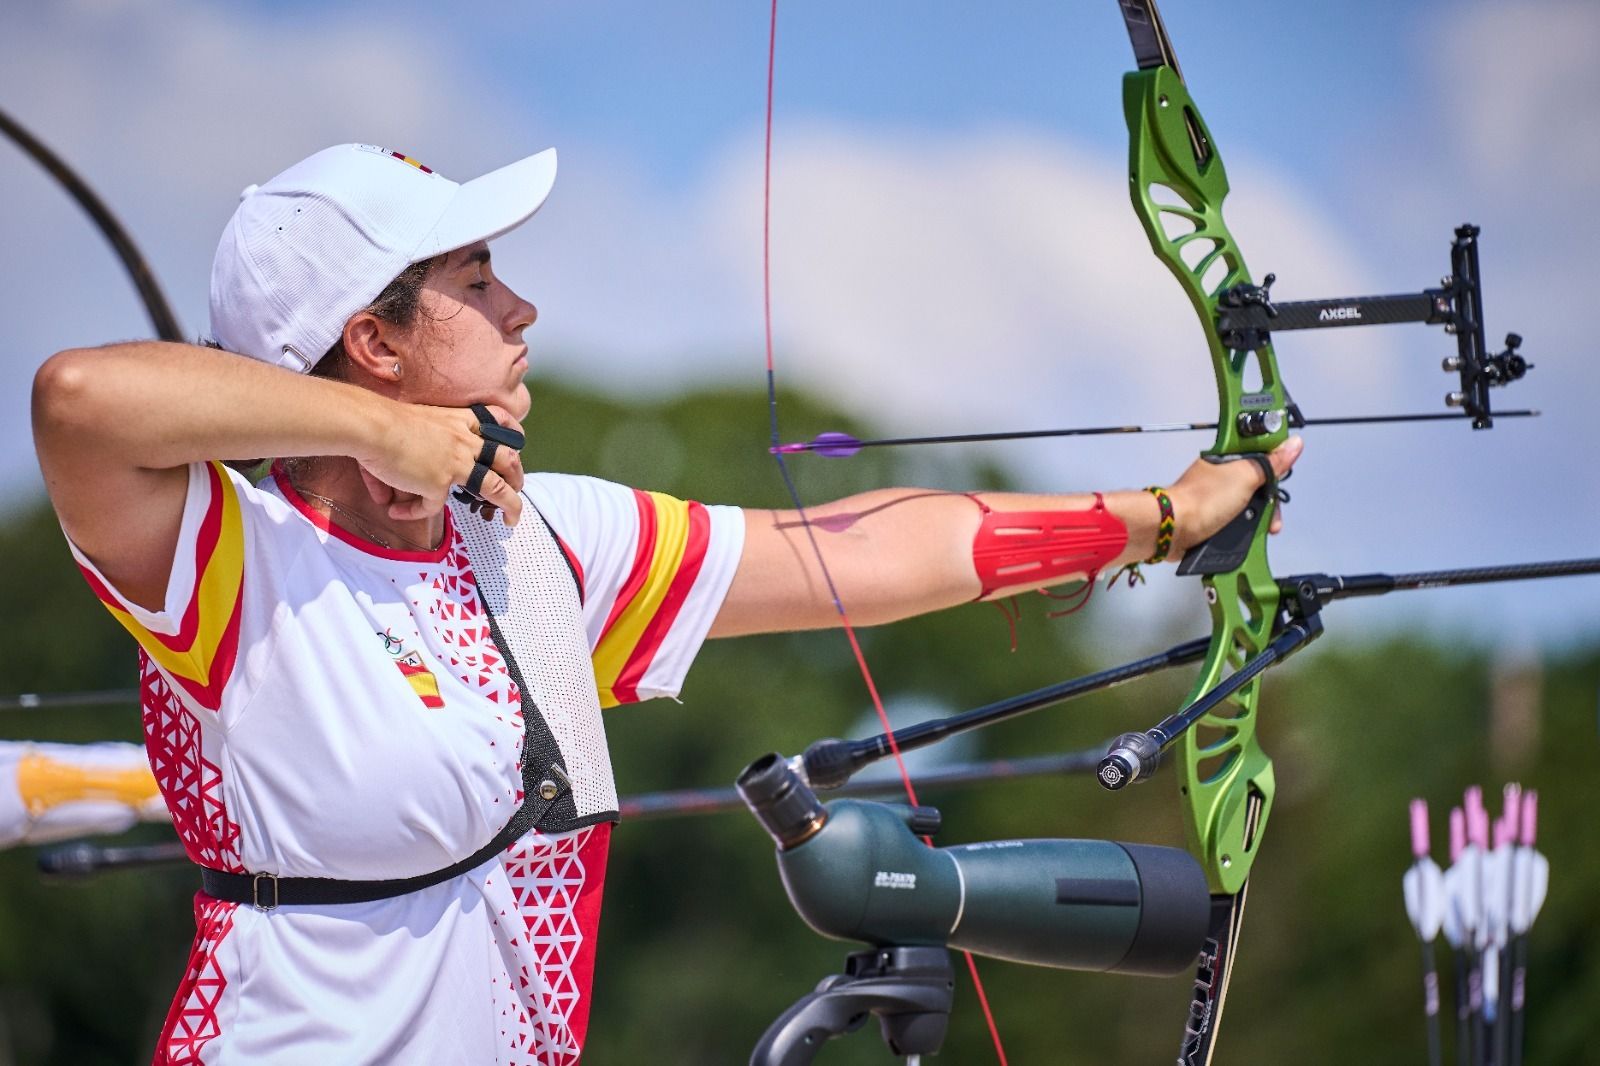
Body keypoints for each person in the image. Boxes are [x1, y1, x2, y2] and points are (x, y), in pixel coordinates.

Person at [30, 142, 1302, 1065]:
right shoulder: (235, 566)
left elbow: (847, 554)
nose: (521, 307)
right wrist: (386, 437)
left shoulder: (537, 540)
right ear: (375, 342)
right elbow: (79, 400)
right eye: (477, 280)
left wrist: (1160, 514)